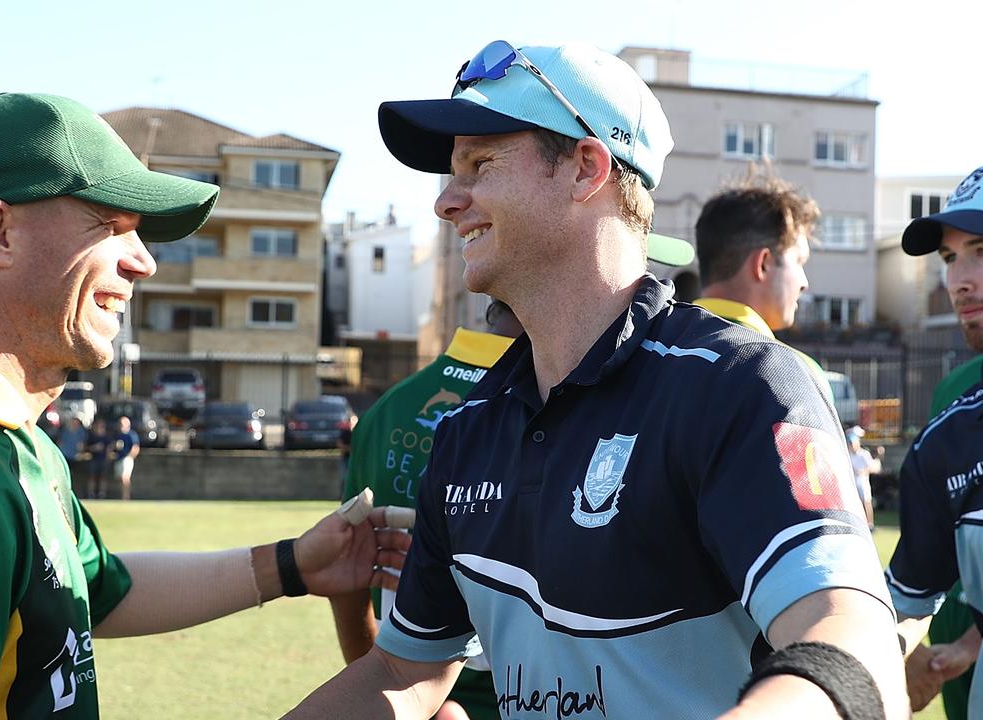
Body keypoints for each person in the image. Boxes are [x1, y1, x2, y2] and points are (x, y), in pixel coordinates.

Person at [288, 41, 905, 719]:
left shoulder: (739, 384)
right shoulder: (468, 428)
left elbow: (852, 639)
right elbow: (406, 669)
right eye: (450, 172)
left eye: (479, 163)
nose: (447, 201)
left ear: (586, 167)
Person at [0, 92, 410, 719]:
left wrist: (294, 564)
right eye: (110, 226)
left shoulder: (8, 439)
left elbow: (97, 592)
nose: (144, 263)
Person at [330, 298, 520, 720]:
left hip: (407, 696)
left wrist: (394, 695)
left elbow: (348, 570)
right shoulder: (559, 404)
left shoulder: (385, 410)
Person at [885, 164, 983, 717]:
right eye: (950, 258)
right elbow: (903, 603)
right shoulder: (945, 443)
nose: (958, 281)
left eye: (981, 249)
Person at [693, 172, 833, 396]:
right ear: (764, 264)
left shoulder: (650, 350)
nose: (804, 283)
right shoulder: (796, 374)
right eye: (798, 261)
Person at [846, 426, 881, 531]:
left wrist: (862, 471)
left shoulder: (864, 454)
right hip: (852, 481)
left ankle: (870, 524)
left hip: (862, 480)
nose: (852, 446)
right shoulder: (848, 455)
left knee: (866, 502)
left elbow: (873, 468)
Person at [110, 415, 139, 501]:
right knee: (120, 478)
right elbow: (113, 446)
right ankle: (123, 495)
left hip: (127, 459)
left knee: (125, 478)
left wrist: (130, 457)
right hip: (118, 458)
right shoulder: (118, 435)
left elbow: (135, 447)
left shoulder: (131, 434)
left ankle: (126, 497)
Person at [58, 415, 88, 493]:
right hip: (65, 455)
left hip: (75, 456)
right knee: (64, 474)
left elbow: (82, 444)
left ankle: (74, 491)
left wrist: (81, 452)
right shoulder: (65, 431)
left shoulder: (81, 432)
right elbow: (60, 442)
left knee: (75, 475)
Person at [85, 416, 111, 499]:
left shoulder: (106, 436)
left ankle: (101, 493)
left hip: (103, 459)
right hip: (93, 459)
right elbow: (85, 447)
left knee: (103, 477)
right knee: (91, 477)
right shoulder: (92, 436)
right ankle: (91, 493)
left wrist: (108, 450)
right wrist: (94, 448)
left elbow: (111, 446)